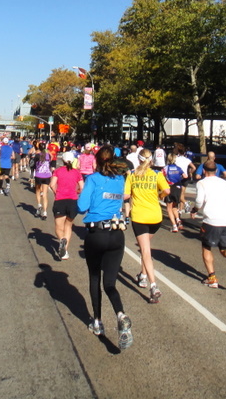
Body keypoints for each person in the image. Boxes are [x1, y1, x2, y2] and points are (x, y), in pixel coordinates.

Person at [77, 145, 133, 350]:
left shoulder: (92, 180)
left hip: (97, 233)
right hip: (117, 235)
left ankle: (98, 322)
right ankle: (121, 314)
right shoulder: (119, 181)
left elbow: (81, 206)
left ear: (97, 161)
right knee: (110, 283)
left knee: (94, 278)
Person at [124, 148, 170, 303]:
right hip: (155, 217)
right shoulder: (157, 174)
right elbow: (166, 190)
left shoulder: (132, 175)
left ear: (138, 159)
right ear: (151, 160)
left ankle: (153, 285)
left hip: (140, 217)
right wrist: (159, 195)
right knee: (146, 247)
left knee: (145, 250)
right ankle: (142, 275)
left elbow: (126, 195)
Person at [193, 159, 226, 288]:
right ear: (216, 171)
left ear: (204, 171)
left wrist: (195, 209)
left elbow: (199, 201)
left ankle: (212, 277)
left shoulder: (202, 183)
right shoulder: (225, 183)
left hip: (211, 221)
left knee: (206, 247)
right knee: (225, 249)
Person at [49, 151, 84, 260]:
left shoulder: (58, 171)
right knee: (68, 226)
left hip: (60, 200)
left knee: (59, 227)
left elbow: (52, 184)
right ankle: (65, 251)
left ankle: (61, 240)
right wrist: (77, 191)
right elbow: (82, 187)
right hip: (72, 200)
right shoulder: (77, 172)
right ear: (73, 160)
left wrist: (56, 192)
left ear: (62, 160)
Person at [162, 153, 186, 232]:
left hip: (169, 188)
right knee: (175, 206)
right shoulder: (178, 168)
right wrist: (179, 179)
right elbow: (185, 176)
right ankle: (178, 220)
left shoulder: (166, 168)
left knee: (169, 208)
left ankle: (174, 225)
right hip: (178, 187)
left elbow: (161, 176)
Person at [33, 142, 53, 220]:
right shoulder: (48, 155)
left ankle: (39, 205)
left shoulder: (37, 155)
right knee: (45, 194)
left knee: (38, 191)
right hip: (47, 175)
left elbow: (33, 165)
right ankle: (45, 212)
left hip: (38, 175)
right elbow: (50, 160)